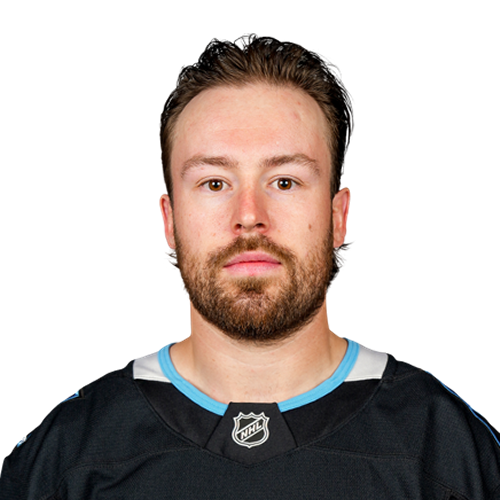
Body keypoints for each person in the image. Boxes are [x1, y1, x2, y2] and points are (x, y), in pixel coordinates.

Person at [1, 34, 499, 500]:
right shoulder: (65, 457)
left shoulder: (448, 446)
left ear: (338, 217)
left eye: (284, 181)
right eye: (215, 183)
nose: (249, 216)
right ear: (169, 221)